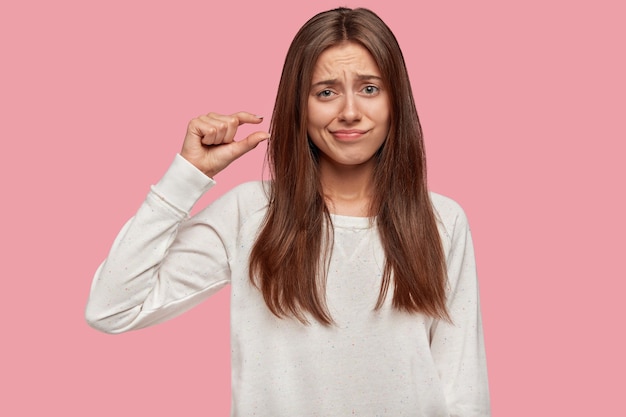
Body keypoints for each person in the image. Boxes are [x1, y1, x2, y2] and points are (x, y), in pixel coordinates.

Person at [85, 7, 490, 416]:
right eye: (326, 92)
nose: (349, 111)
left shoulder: (442, 221)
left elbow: (462, 389)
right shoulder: (252, 213)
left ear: (396, 100)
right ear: (300, 105)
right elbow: (112, 308)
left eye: (369, 89)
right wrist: (187, 176)